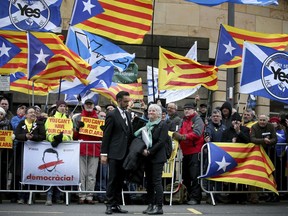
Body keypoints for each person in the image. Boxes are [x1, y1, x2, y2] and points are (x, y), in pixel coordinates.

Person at [100, 91, 133, 215]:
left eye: (128, 101)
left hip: (125, 153)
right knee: (112, 179)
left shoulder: (128, 114)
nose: (127, 103)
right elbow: (106, 135)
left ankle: (116, 204)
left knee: (120, 180)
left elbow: (129, 133)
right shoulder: (112, 114)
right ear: (118, 100)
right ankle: (109, 204)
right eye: (125, 101)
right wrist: (104, 154)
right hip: (114, 153)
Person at [134, 104, 169, 215]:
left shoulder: (163, 124)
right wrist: (143, 149)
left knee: (156, 182)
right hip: (147, 158)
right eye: (149, 110)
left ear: (159, 114)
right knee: (149, 182)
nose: (151, 112)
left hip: (157, 157)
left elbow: (161, 141)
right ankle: (150, 205)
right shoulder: (146, 125)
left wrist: (150, 151)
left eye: (154, 110)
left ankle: (159, 207)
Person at [172, 103, 204, 205]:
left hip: (195, 151)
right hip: (185, 152)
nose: (186, 111)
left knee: (195, 176)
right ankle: (187, 196)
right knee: (186, 176)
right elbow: (179, 132)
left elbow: (197, 133)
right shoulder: (183, 120)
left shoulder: (197, 120)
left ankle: (195, 197)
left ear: (194, 110)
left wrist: (183, 137)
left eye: (189, 109)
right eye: (185, 109)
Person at [14, 106, 46, 204]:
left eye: (34, 112)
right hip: (22, 152)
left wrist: (33, 137)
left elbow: (42, 136)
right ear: (26, 114)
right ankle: (21, 196)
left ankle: (31, 195)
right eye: (30, 112)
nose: (32, 114)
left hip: (34, 153)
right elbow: (17, 134)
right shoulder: (22, 123)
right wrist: (25, 136)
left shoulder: (39, 124)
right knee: (21, 174)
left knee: (32, 173)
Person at [45, 100, 73, 206]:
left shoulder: (68, 120)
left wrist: (62, 138)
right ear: (57, 107)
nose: (62, 107)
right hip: (52, 148)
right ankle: (49, 195)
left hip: (63, 148)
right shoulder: (50, 119)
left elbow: (70, 135)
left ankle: (57, 196)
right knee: (50, 172)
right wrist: (53, 139)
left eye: (64, 106)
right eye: (60, 106)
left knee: (60, 172)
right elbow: (47, 132)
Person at [73, 99, 101, 204]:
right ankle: (81, 195)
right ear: (84, 106)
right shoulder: (78, 117)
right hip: (81, 149)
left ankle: (89, 196)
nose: (89, 106)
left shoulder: (99, 118)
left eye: (91, 104)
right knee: (82, 174)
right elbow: (74, 136)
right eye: (87, 104)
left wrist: (102, 130)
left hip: (94, 149)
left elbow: (102, 135)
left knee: (91, 175)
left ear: (93, 105)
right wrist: (77, 128)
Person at [250, 114, 277, 204]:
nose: (262, 122)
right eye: (260, 120)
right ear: (258, 120)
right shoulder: (254, 127)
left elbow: (275, 138)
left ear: (267, 120)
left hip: (269, 153)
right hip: (257, 154)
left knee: (268, 173)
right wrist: (263, 140)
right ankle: (255, 196)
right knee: (256, 173)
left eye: (264, 120)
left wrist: (270, 141)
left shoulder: (271, 126)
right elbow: (252, 139)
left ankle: (269, 194)